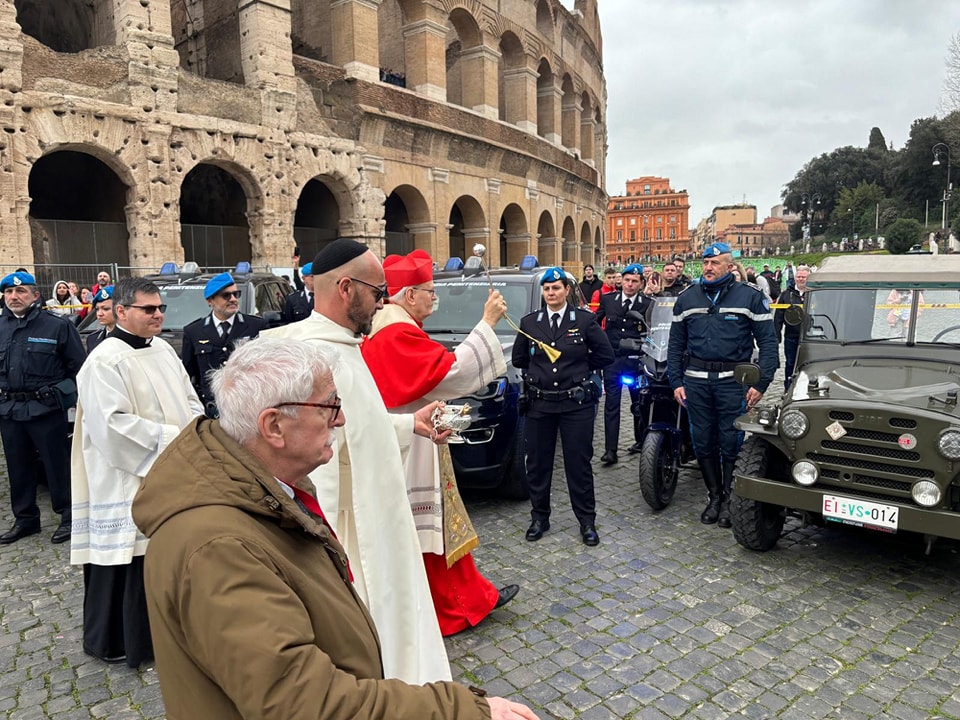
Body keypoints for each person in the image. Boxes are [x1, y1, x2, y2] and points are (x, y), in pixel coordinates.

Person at [131, 338, 539, 720]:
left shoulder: (264, 485)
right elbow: (301, 701)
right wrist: (462, 711)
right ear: (273, 426)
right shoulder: (217, 549)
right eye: (329, 406)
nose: (341, 418)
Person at [263, 238, 452, 684]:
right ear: (345, 288)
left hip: (379, 514)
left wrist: (411, 426)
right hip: (352, 526)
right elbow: (311, 460)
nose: (384, 299)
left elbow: (362, 428)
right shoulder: (312, 356)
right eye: (376, 289)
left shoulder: (346, 344)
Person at [361, 249, 518, 635]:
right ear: (409, 295)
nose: (435, 297)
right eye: (430, 291)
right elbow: (451, 372)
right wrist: (487, 323)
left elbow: (419, 384)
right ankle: (453, 610)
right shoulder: (395, 332)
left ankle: (473, 598)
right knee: (428, 531)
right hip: (410, 448)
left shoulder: (391, 325)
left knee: (438, 526)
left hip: (413, 437)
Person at [71, 277, 204, 667]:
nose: (158, 314)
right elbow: (111, 426)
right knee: (130, 558)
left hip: (174, 467)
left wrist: (194, 433)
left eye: (160, 308)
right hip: (126, 474)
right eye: (149, 309)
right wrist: (174, 439)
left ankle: (174, 632)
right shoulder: (103, 360)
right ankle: (123, 641)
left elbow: (191, 399)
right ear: (121, 311)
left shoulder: (162, 349)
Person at [668, 243, 778, 529]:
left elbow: (768, 344)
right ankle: (714, 497)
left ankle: (730, 499)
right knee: (703, 442)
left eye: (715, 263)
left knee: (730, 443)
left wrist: (762, 382)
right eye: (705, 262)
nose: (708, 267)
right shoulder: (687, 298)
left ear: (729, 267)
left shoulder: (750, 297)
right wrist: (676, 381)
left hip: (732, 382)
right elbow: (675, 344)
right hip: (696, 382)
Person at [513, 267, 614, 546]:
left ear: (567, 291)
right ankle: (539, 517)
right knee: (538, 464)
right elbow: (520, 358)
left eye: (556, 288)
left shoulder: (583, 320)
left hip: (575, 405)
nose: (551, 293)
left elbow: (605, 354)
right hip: (540, 404)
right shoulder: (530, 322)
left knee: (578, 464)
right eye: (547, 289)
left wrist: (579, 370)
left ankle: (586, 521)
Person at [0, 271, 85, 544]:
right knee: (18, 466)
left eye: (21, 291)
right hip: (10, 409)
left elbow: (78, 368)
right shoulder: (0, 326)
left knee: (56, 465)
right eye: (9, 292)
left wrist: (65, 398)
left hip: (45, 409)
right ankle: (26, 520)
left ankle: (69, 516)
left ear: (35, 295)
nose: (14, 297)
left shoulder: (56, 326)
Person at [182, 272, 266, 416]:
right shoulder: (194, 331)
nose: (233, 299)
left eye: (236, 294)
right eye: (226, 296)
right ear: (210, 301)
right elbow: (189, 375)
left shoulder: (256, 326)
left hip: (249, 408)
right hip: (212, 409)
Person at [595, 263, 652, 464]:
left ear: (641, 283)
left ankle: (641, 442)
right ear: (621, 281)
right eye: (627, 280)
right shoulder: (608, 300)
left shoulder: (648, 304)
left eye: (634, 281)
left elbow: (653, 331)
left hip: (636, 362)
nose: (629, 284)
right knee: (611, 404)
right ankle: (610, 450)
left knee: (639, 403)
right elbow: (595, 323)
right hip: (613, 360)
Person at [774, 265, 809, 390]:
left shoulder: (814, 293)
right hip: (791, 336)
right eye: (798, 277)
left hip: (810, 337)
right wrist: (776, 336)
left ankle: (807, 388)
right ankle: (788, 388)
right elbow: (778, 317)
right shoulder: (786, 295)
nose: (801, 279)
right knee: (790, 364)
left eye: (803, 277)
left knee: (808, 364)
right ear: (795, 278)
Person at [85, 285, 116, 354]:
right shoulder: (92, 339)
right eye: (97, 309)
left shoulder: (133, 337)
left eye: (105, 309)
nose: (99, 314)